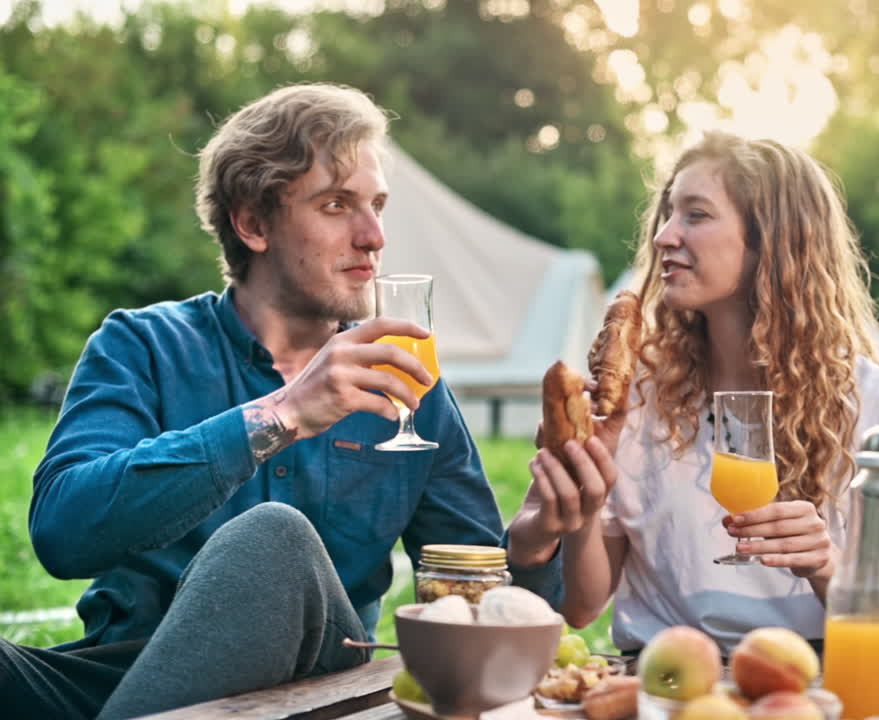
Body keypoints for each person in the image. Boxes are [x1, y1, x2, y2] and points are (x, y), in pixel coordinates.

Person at [0, 83, 561, 718]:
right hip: (117, 681)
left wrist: (537, 542)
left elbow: (477, 610)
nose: (374, 235)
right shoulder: (144, 345)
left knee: (276, 542)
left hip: (310, 696)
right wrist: (282, 414)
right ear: (252, 223)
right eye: (335, 204)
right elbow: (61, 533)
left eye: (377, 205)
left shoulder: (406, 384)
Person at [509, 131, 879, 656]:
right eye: (668, 213)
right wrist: (588, 497)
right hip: (663, 676)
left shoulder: (875, 406)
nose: (663, 237)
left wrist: (825, 565)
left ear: (773, 240)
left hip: (807, 679)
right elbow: (584, 605)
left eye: (696, 215)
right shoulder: (639, 393)